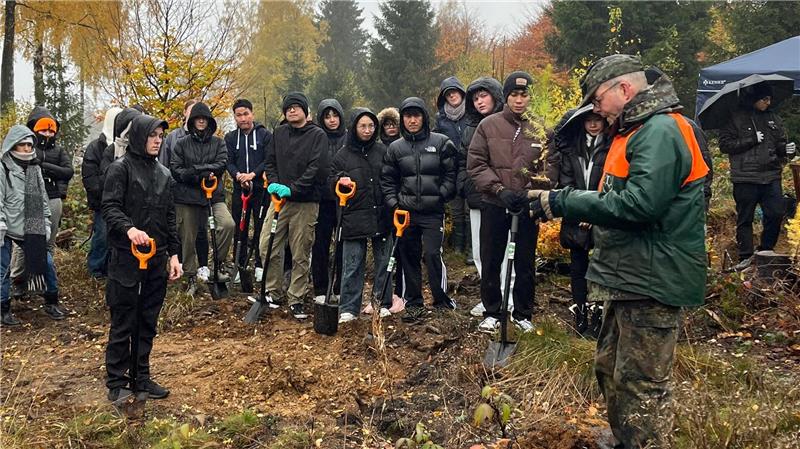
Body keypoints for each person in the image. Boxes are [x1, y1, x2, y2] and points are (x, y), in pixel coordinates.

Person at [528, 54, 709, 448]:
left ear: (624, 89)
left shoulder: (660, 131)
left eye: (597, 99)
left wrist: (565, 201)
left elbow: (640, 205)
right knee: (610, 369)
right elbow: (618, 196)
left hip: (653, 278)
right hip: (631, 275)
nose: (596, 109)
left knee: (640, 387)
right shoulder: (636, 131)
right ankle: (626, 440)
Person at [102, 114, 182, 402]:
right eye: (152, 135)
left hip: (157, 258)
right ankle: (117, 380)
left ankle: (142, 376)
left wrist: (174, 255)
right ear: (138, 137)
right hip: (126, 258)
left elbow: (170, 219)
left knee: (148, 320)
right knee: (124, 318)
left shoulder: (165, 174)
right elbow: (109, 207)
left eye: (160, 136)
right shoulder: (119, 169)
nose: (157, 140)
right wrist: (130, 229)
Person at [468, 71, 550, 334]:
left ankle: (523, 312)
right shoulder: (488, 125)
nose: (519, 100)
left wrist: (530, 193)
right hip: (495, 203)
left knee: (525, 261)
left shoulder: (541, 128)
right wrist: (499, 189)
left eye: (523, 95)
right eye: (514, 94)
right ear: (506, 97)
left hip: (526, 206)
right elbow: (477, 163)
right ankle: (492, 310)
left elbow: (550, 167)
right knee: (491, 258)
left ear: (529, 97)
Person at [381, 97, 457, 323]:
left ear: (424, 117)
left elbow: (452, 175)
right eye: (407, 116)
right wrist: (395, 204)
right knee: (408, 257)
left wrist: (441, 195)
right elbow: (387, 180)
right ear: (402, 119)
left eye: (416, 115)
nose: (412, 120)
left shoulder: (441, 142)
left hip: (433, 213)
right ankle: (413, 302)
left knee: (433, 254)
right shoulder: (395, 148)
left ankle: (441, 300)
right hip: (406, 213)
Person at [260, 92, 328, 320]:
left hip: (305, 202)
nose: (292, 111)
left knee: (300, 251)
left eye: (297, 107)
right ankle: (273, 292)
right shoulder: (278, 133)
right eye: (288, 108)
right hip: (280, 201)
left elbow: (316, 168)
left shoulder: (317, 135)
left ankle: (296, 298)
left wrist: (294, 188)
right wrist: (274, 184)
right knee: (267, 245)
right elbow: (270, 161)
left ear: (305, 111)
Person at [330, 108, 401, 322]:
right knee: (352, 264)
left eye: (371, 126)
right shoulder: (342, 155)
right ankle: (349, 308)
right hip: (353, 216)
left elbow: (391, 178)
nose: (367, 130)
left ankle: (382, 302)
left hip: (381, 215)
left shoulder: (383, 151)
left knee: (384, 262)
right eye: (363, 126)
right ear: (354, 128)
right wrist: (339, 181)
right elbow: (330, 179)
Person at [457, 77, 516, 318]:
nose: (480, 101)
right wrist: (464, 185)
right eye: (475, 98)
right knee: (482, 253)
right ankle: (489, 296)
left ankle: (509, 298)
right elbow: (463, 161)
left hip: (504, 199)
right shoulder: (469, 128)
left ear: (495, 95)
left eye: (484, 95)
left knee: (505, 252)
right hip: (477, 197)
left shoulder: (510, 123)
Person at [719, 83, 792, 267]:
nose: (768, 102)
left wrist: (787, 149)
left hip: (771, 175)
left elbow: (779, 145)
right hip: (745, 177)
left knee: (775, 213)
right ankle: (745, 256)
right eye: (764, 99)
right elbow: (725, 145)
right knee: (745, 218)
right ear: (755, 99)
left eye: (769, 99)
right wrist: (751, 139)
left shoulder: (773, 118)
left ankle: (766, 249)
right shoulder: (735, 118)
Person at [552, 105, 610, 335]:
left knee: (600, 265)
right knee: (578, 266)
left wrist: (595, 213)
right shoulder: (572, 150)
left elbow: (610, 184)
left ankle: (598, 310)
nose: (594, 124)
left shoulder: (611, 148)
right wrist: (579, 211)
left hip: (603, 214)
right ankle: (581, 310)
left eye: (598, 120)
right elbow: (566, 185)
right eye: (589, 121)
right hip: (575, 216)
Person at [1, 125, 66, 325]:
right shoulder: (3, 168)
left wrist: (45, 224)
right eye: (23, 145)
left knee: (46, 264)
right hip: (7, 227)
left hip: (33, 227)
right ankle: (3, 308)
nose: (27, 149)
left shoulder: (34, 167)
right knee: (3, 269)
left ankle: (51, 301)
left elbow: (43, 199)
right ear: (13, 145)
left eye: (30, 145)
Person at [170, 102, 235, 295]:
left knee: (227, 224)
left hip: (213, 195)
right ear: (191, 121)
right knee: (187, 236)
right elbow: (177, 170)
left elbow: (221, 164)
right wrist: (201, 173)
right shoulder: (181, 144)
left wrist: (195, 171)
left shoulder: (218, 143)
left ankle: (217, 265)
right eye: (197, 118)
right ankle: (191, 275)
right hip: (187, 197)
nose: (200, 121)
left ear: (209, 121)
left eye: (204, 118)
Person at [9, 107, 74, 293]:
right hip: (28, 200)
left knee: (48, 243)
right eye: (44, 130)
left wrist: (43, 166)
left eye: (51, 130)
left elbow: (68, 172)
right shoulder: (26, 147)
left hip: (53, 199)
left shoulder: (60, 151)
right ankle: (18, 279)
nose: (47, 133)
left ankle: (43, 281)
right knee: (22, 242)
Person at [159, 100, 211, 282]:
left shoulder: (208, 139)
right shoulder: (173, 138)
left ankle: (201, 266)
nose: (197, 117)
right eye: (192, 112)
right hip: (177, 192)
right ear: (185, 114)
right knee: (180, 230)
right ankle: (180, 265)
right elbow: (166, 165)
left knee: (201, 231)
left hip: (203, 193)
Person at [225, 98, 272, 283]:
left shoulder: (264, 135)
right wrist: (238, 176)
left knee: (261, 228)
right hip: (240, 189)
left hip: (261, 189)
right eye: (239, 115)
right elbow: (228, 161)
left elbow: (268, 160)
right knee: (240, 228)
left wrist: (253, 175)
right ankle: (239, 265)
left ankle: (260, 265)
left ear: (252, 114)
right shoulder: (230, 137)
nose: (243, 118)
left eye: (246, 114)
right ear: (235, 117)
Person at [311, 99, 346, 302]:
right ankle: (321, 289)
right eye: (327, 116)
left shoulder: (349, 138)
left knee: (342, 245)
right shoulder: (317, 138)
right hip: (322, 199)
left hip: (343, 199)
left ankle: (340, 287)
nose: (332, 120)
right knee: (320, 245)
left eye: (334, 116)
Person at [82, 106, 122, 279]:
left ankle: (113, 268)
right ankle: (96, 270)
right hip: (102, 202)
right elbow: (90, 179)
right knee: (102, 236)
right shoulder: (95, 147)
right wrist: (106, 193)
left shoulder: (127, 146)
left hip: (122, 202)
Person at [434, 77, 470, 257]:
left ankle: (472, 247)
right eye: (448, 94)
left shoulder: (471, 113)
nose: (452, 95)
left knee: (470, 208)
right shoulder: (440, 119)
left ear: (461, 93)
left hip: (471, 166)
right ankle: (458, 246)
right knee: (456, 210)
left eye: (454, 91)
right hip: (451, 169)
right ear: (444, 97)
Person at [377, 107, 404, 303]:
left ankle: (401, 290)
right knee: (387, 246)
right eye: (387, 124)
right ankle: (386, 289)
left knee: (401, 245)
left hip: (403, 199)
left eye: (394, 124)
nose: (391, 128)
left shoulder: (404, 145)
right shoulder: (378, 148)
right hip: (384, 201)